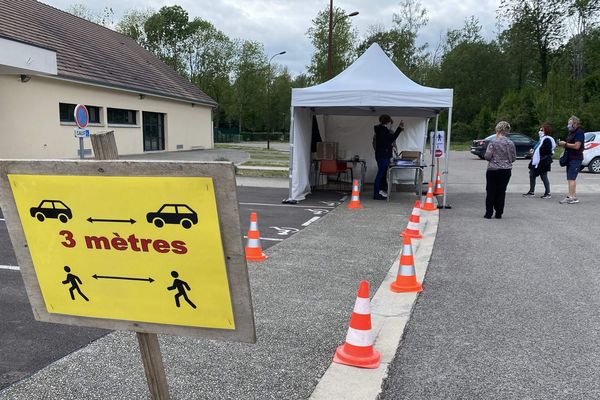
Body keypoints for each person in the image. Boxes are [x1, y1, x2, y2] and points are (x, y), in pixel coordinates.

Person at [484, 121, 516, 219]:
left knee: (490, 191)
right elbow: (513, 158)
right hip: (506, 170)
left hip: (493, 169)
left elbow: (488, 156)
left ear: (498, 129)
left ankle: (488, 213)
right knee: (501, 191)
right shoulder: (510, 143)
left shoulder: (493, 142)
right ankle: (499, 213)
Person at [373, 114, 404, 200]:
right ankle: (376, 194)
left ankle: (380, 191)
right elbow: (391, 139)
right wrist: (399, 129)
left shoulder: (379, 129)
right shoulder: (383, 130)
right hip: (383, 156)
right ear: (388, 121)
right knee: (380, 175)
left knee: (382, 175)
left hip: (380, 155)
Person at [523, 123, 556, 199]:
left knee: (543, 176)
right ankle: (531, 191)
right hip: (537, 160)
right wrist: (533, 151)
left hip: (543, 161)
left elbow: (547, 151)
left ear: (546, 131)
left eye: (542, 130)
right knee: (532, 174)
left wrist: (535, 153)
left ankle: (547, 193)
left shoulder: (547, 139)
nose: (540, 131)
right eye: (540, 129)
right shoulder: (541, 139)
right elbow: (537, 148)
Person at [557, 116, 585, 204]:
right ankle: (572, 196)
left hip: (576, 159)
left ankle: (572, 198)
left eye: (570, 123)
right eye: (568, 123)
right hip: (569, 158)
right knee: (570, 178)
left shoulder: (579, 133)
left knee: (571, 178)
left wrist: (565, 144)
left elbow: (577, 146)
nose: (568, 125)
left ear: (575, 124)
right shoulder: (571, 132)